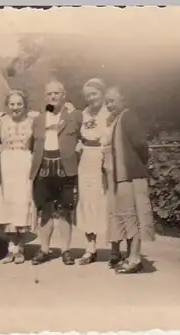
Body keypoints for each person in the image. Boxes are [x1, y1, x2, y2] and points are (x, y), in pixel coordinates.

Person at [101, 86, 156, 274]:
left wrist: (136, 163)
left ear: (123, 100)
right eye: (107, 101)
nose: (109, 105)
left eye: (112, 101)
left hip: (131, 176)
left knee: (135, 217)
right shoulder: (117, 120)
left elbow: (141, 144)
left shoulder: (128, 116)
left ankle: (135, 259)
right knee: (128, 217)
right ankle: (132, 256)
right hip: (122, 177)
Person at [29, 80, 82, 266]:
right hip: (43, 168)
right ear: (45, 97)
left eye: (57, 93)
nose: (53, 96)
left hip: (65, 169)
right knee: (45, 211)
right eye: (50, 93)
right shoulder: (38, 120)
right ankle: (44, 249)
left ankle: (66, 250)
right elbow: (31, 146)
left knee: (65, 211)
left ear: (64, 95)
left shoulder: (75, 116)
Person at [0, 90, 38, 264]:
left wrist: (67, 106)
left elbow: (51, 113)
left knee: (22, 204)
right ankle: (10, 248)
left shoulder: (33, 119)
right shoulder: (1, 120)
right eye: (12, 104)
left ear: (25, 105)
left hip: (24, 163)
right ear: (7, 105)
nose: (15, 107)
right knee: (8, 205)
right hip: (7, 163)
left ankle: (20, 248)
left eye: (19, 104)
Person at [75, 78, 110, 265]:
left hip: (104, 159)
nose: (90, 98)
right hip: (86, 160)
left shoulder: (109, 113)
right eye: (87, 95)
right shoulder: (83, 113)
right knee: (87, 201)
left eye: (94, 94)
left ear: (102, 93)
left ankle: (114, 249)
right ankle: (90, 248)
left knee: (105, 201)